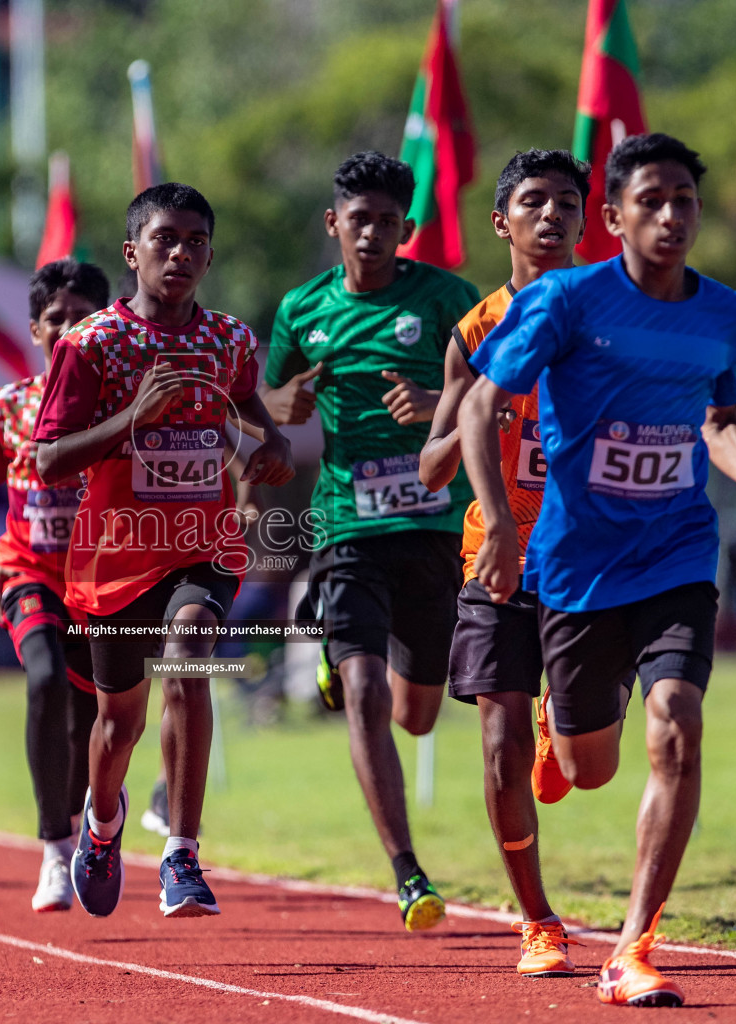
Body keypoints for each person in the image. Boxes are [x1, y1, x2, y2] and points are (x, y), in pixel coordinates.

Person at [457, 133, 736, 1008]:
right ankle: (560, 742)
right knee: (591, 765)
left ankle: (632, 944)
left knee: (676, 724)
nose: (672, 215)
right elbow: (483, 403)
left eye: (685, 199)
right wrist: (496, 523)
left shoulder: (724, 313)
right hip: (575, 566)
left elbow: (717, 413)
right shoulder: (567, 300)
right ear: (613, 217)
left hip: (678, 549)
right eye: (652, 201)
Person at [33, 182, 294, 918]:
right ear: (132, 252)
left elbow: (245, 407)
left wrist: (266, 444)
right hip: (117, 554)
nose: (180, 253)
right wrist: (131, 417)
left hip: (199, 544)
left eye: (195, 241)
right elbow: (50, 460)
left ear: (210, 255)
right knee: (120, 723)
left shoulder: (230, 340)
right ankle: (103, 823)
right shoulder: (91, 346)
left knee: (188, 658)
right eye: (164, 240)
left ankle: (182, 854)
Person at [262, 151, 479, 931]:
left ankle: (344, 658)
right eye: (361, 220)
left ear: (407, 227)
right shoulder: (302, 309)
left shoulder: (449, 297)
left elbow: (499, 386)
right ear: (335, 224)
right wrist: (281, 407)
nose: (374, 233)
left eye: (389, 221)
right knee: (364, 691)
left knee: (417, 715)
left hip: (431, 523)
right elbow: (267, 396)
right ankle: (409, 873)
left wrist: (439, 401)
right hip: (346, 526)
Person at [420, 149, 589, 975]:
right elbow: (431, 468)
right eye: (534, 202)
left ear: (586, 221)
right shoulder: (476, 332)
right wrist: (478, 409)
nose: (552, 215)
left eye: (567, 202)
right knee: (497, 745)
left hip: (591, 559)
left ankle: (569, 718)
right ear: (503, 222)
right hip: (494, 556)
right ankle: (538, 921)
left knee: (589, 766)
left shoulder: (608, 314)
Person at [0, 258, 109, 912]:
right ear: (34, 330)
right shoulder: (6, 405)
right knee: (44, 678)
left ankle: (86, 823)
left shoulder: (119, 407)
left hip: (102, 581)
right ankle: (54, 848)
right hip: (27, 569)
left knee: (88, 719)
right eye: (57, 318)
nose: (69, 327)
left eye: (83, 318)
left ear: (104, 326)